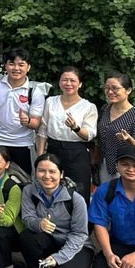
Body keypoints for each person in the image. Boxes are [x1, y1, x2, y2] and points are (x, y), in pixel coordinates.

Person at [18, 153, 93, 268]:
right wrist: (39, 224)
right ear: (35, 173)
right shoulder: (29, 190)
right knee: (27, 236)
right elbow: (27, 219)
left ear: (61, 174)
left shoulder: (75, 198)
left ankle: (57, 265)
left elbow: (80, 234)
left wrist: (59, 257)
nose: (47, 176)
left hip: (75, 244)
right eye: (41, 171)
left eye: (52, 171)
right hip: (48, 239)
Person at [36, 67, 97, 201]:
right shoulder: (50, 102)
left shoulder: (88, 107)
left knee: (78, 192)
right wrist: (40, 156)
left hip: (77, 152)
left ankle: (80, 221)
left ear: (80, 84)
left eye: (72, 80)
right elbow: (43, 130)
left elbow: (89, 134)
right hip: (53, 150)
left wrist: (76, 128)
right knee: (51, 188)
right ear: (59, 82)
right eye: (65, 80)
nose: (68, 84)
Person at [0, 48, 47, 176]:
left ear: (28, 67)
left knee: (22, 183)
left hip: (23, 144)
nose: (16, 68)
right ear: (5, 66)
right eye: (12, 64)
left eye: (21, 65)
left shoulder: (34, 91)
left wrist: (28, 121)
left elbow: (36, 123)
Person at [95, 72, 135, 185]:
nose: (110, 92)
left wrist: (129, 139)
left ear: (128, 90)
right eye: (107, 88)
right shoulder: (105, 109)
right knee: (107, 197)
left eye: (115, 88)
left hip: (126, 167)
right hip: (104, 164)